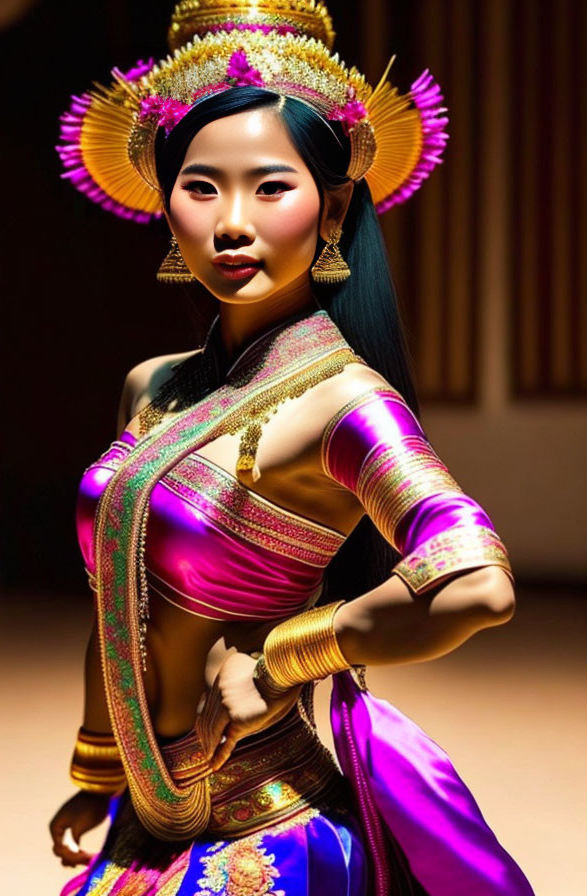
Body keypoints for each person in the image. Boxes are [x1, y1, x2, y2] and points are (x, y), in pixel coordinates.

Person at [50, 3, 535, 893]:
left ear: (335, 204)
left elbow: (478, 580)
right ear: (165, 209)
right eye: (201, 188)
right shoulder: (151, 385)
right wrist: (95, 774)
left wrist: (290, 652)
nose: (233, 222)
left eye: (270, 187)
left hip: (267, 833)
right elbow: (117, 601)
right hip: (144, 824)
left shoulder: (343, 403)